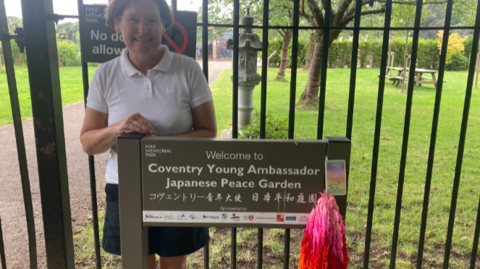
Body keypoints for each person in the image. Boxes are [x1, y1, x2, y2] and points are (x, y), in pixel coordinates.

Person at [79, 0, 216, 268]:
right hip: (125, 186)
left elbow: (208, 133)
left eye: (152, 20)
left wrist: (156, 146)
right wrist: (118, 129)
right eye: (132, 19)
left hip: (178, 185)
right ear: (116, 24)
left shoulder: (188, 69)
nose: (143, 29)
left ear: (164, 25)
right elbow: (88, 142)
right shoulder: (104, 75)